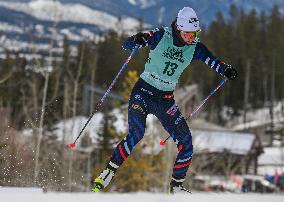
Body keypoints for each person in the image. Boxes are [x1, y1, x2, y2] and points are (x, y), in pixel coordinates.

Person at [92, 7, 237, 193]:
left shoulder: (195, 48)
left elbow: (214, 61)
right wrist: (137, 39)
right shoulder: (161, 35)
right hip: (143, 93)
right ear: (179, 28)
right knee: (136, 134)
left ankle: (176, 186)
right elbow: (127, 45)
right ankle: (107, 173)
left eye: (195, 33)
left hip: (165, 100)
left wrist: (225, 70)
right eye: (188, 34)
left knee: (186, 143)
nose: (192, 37)